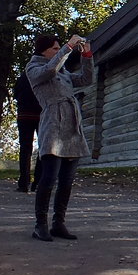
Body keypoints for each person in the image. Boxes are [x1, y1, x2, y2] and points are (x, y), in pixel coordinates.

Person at [25, 33, 94, 242]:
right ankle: (40, 225)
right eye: (55, 48)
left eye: (58, 48)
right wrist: (67, 47)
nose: (59, 51)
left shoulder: (62, 71)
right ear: (44, 50)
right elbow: (50, 70)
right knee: (49, 178)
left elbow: (86, 79)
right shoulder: (34, 68)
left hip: (72, 128)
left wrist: (87, 54)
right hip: (53, 125)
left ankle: (58, 223)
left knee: (67, 180)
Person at [12, 69, 42, 193]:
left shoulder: (22, 77)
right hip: (41, 115)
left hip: (24, 115)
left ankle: (23, 183)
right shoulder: (44, 74)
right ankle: (38, 183)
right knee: (43, 148)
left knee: (25, 149)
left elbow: (15, 94)